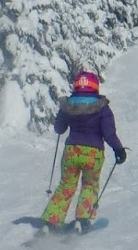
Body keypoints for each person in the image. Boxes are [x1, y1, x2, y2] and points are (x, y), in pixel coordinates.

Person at [41, 69, 127, 230]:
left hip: (72, 151)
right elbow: (109, 133)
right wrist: (119, 150)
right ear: (95, 87)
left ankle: (51, 221)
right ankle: (82, 219)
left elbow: (59, 128)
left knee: (66, 185)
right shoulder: (102, 107)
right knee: (90, 185)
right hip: (93, 154)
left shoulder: (68, 105)